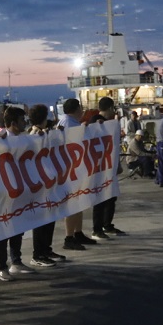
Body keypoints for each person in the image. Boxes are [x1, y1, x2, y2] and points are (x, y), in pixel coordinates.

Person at [0, 106, 35, 281]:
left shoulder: (19, 139)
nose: (25, 122)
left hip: (18, 190)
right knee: (3, 230)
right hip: (4, 192)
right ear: (13, 123)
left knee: (18, 227)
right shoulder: (0, 139)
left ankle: (16, 261)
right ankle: (2, 267)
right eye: (22, 120)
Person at [26, 104, 65, 267]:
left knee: (50, 217)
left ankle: (46, 249)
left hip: (47, 181)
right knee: (42, 219)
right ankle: (38, 254)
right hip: (40, 183)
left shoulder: (41, 133)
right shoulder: (35, 134)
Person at [57, 98, 97, 250]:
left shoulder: (69, 122)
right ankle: (69, 237)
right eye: (80, 108)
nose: (82, 111)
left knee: (79, 202)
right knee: (73, 204)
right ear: (75, 109)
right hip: (71, 169)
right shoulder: (68, 123)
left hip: (76, 168)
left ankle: (78, 232)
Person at [90, 97, 124, 239]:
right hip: (99, 167)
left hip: (108, 166)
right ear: (110, 108)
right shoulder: (96, 121)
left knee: (111, 197)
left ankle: (107, 225)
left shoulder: (110, 123)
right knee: (100, 199)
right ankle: (97, 228)